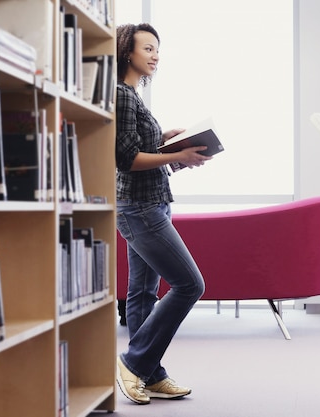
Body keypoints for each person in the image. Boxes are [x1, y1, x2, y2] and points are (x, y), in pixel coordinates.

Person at [114, 22, 209, 405]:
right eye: (148, 48)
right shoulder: (121, 95)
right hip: (140, 207)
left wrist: (168, 141)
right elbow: (125, 159)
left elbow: (139, 146)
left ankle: (149, 374)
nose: (155, 55)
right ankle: (134, 363)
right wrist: (178, 155)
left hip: (152, 201)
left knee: (141, 292)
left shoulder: (133, 95)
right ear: (127, 52)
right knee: (190, 285)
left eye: (157, 49)